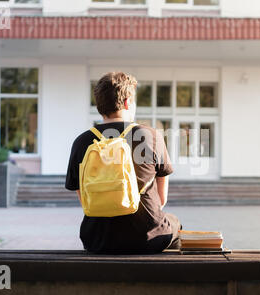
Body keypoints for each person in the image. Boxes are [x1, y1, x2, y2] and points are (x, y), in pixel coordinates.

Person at [65, 71, 182, 254]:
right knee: (174, 222)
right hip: (148, 239)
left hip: (97, 240)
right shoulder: (150, 136)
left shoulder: (82, 142)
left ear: (99, 105)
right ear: (128, 102)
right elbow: (161, 200)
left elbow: (85, 201)